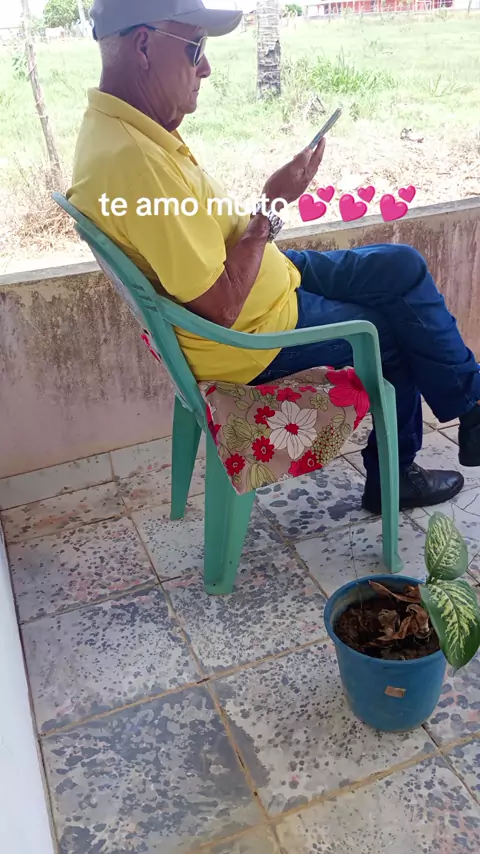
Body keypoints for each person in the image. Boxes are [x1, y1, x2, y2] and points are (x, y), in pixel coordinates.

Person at [68, 0, 480, 514]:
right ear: (144, 45)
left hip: (267, 280)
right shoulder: (134, 162)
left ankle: (472, 407)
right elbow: (222, 307)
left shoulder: (122, 128)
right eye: (195, 48)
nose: (205, 68)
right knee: (394, 333)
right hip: (252, 335)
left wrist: (267, 215)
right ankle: (396, 479)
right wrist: (270, 206)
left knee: (400, 265)